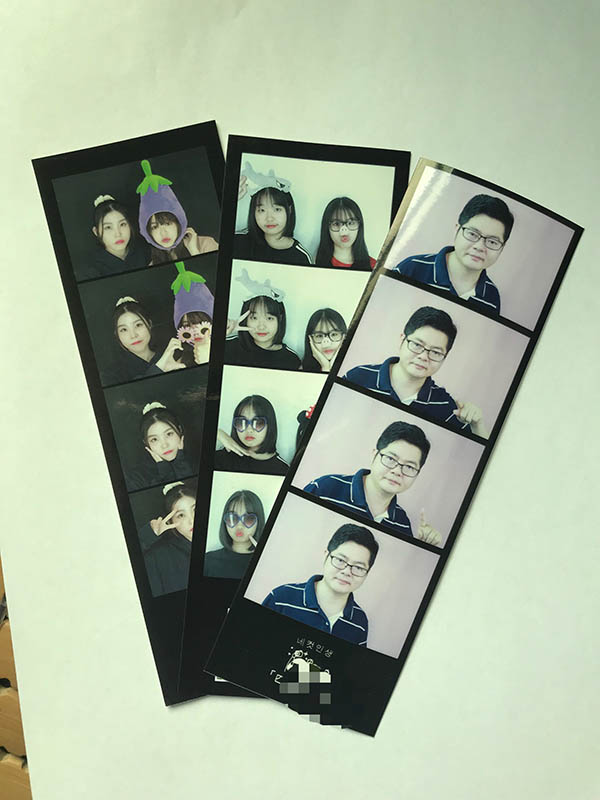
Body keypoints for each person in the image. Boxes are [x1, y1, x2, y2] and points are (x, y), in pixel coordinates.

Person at [343, 306, 489, 437]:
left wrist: (477, 426)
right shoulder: (358, 376)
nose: (424, 357)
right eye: (417, 345)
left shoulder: (445, 405)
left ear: (445, 357)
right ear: (402, 340)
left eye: (436, 352)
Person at [303, 421, 442, 546]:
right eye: (390, 459)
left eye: (409, 467)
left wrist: (423, 545)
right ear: (374, 454)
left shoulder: (402, 522)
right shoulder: (325, 488)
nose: (397, 471)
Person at [393, 194, 514, 314]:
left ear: (502, 248)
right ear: (457, 229)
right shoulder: (411, 268)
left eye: (492, 242)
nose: (479, 247)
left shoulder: (492, 297)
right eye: (472, 234)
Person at [262, 523, 378, 645]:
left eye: (358, 567)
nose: (347, 572)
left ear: (367, 573)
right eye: (340, 560)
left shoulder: (360, 621)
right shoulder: (281, 598)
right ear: (326, 556)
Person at [136, 159, 218, 265]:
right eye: (154, 227)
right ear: (147, 232)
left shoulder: (207, 245)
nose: (163, 233)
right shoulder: (153, 265)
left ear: (178, 221)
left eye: (168, 223)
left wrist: (195, 252)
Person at [100, 297, 185, 385]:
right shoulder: (110, 376)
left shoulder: (174, 356)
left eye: (138, 325)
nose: (133, 335)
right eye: (124, 329)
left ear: (149, 324)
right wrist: (159, 367)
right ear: (117, 334)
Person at [138, 479, 196, 596]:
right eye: (181, 515)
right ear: (171, 522)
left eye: (195, 510)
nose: (192, 520)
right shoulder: (159, 557)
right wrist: (148, 535)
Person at [233, 178, 311, 265]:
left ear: (289, 210)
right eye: (262, 210)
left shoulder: (300, 257)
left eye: (277, 209)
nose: (269, 218)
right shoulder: (237, 241)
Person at [125, 403, 195, 491]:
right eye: (154, 439)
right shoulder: (138, 478)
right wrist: (164, 470)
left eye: (169, 434)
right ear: (146, 443)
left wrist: (181, 463)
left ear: (179, 430)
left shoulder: (197, 459)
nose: (164, 445)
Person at [214, 394, 289, 475]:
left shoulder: (283, 469)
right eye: (241, 422)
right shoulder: (221, 458)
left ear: (270, 425)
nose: (249, 430)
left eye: (258, 423)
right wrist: (218, 433)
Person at [225, 292, 301, 370]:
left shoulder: (291, 360)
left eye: (269, 318)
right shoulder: (228, 346)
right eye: (254, 318)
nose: (261, 327)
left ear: (280, 319)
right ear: (246, 319)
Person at [204, 490, 265, 579]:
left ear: (259, 522)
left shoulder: (266, 562)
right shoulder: (208, 561)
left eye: (248, 519)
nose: (239, 526)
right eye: (232, 518)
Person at [86, 195, 149, 279]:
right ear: (96, 232)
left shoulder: (145, 251)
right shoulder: (92, 271)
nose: (118, 234)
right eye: (108, 227)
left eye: (122, 224)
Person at [315, 197, 376, 270]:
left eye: (351, 223)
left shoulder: (374, 266)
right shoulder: (314, 262)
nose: (344, 232)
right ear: (326, 227)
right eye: (336, 224)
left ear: (360, 226)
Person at [301, 308, 347, 373]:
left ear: (344, 336)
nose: (326, 344)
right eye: (319, 336)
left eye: (334, 334)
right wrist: (326, 368)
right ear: (310, 339)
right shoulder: (301, 371)